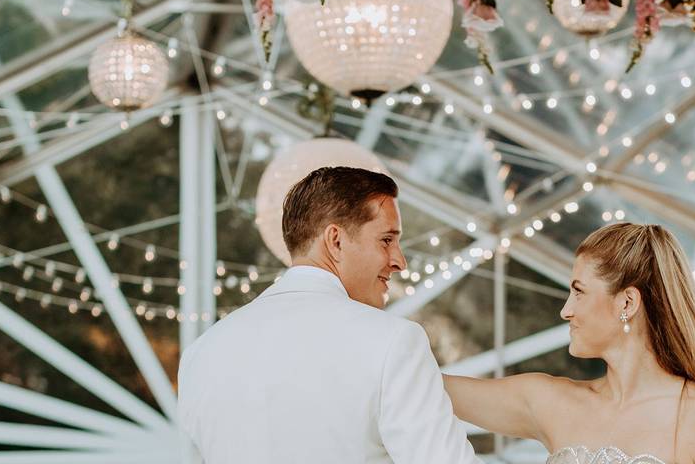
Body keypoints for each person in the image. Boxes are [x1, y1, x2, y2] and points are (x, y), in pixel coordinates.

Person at [178, 166, 480, 464]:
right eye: (386, 240)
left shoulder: (200, 355)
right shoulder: (394, 341)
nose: (399, 261)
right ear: (335, 241)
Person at [444, 223, 695, 464]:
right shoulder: (551, 401)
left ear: (627, 303)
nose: (566, 310)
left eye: (579, 292)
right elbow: (423, 383)